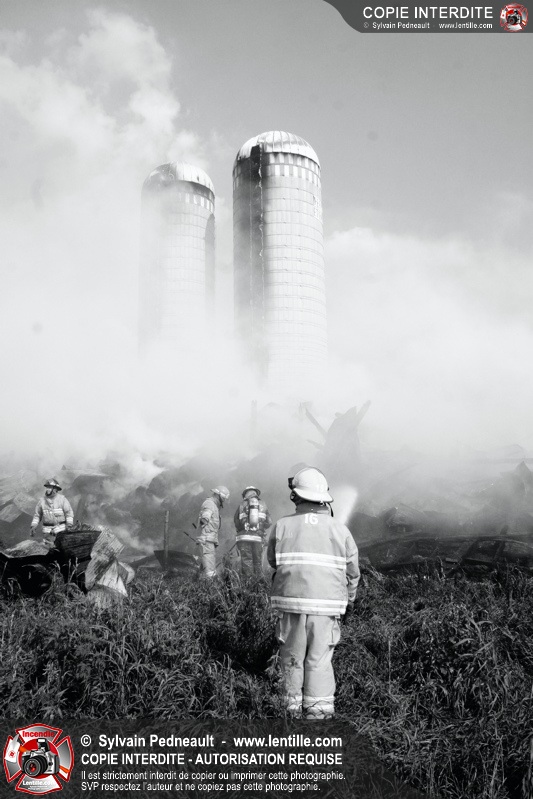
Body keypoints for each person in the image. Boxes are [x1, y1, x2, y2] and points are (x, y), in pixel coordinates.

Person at [266, 467, 360, 720]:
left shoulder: (281, 526)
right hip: (327, 607)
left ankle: (288, 713)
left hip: (290, 603)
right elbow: (353, 572)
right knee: (319, 660)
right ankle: (318, 715)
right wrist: (350, 600)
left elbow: (273, 561)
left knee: (291, 657)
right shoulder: (340, 530)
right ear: (323, 499)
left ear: (295, 496)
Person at [234, 486, 272, 577]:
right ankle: (258, 581)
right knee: (257, 561)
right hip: (258, 537)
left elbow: (236, 521)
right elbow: (269, 522)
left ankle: (248, 582)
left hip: (244, 537)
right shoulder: (263, 505)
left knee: (247, 561)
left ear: (245, 494)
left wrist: (241, 529)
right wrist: (261, 528)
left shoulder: (241, 505)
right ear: (256, 493)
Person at [196, 485, 230, 578]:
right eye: (223, 498)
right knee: (209, 568)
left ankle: (201, 582)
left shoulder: (213, 505)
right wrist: (205, 519)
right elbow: (204, 518)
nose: (223, 501)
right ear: (219, 495)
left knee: (205, 566)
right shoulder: (210, 504)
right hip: (206, 540)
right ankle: (211, 584)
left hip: (208, 540)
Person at [30, 478, 74, 543]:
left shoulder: (62, 500)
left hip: (61, 531)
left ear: (55, 489)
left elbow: (69, 513)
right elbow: (37, 515)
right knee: (48, 548)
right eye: (47, 487)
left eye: (49, 487)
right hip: (47, 532)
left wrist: (69, 525)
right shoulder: (42, 501)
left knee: (62, 548)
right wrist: (33, 526)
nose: (47, 489)